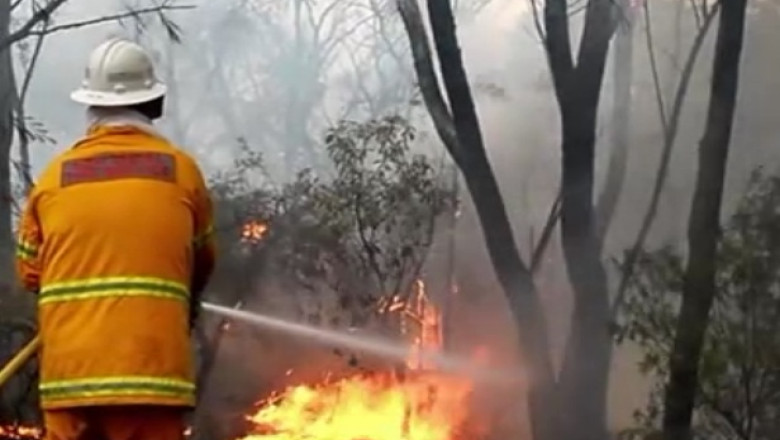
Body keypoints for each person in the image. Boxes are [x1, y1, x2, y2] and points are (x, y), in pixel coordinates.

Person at [14, 38, 216, 440]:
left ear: (90, 106)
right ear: (153, 104)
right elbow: (202, 262)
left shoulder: (53, 178)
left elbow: (30, 274)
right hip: (152, 379)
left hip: (70, 381)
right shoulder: (183, 173)